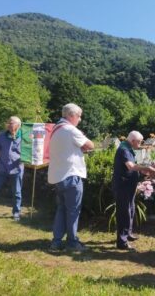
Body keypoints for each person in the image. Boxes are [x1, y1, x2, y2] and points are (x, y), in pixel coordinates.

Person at [48, 103, 94, 252]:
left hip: (58, 176)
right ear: (71, 115)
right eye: (79, 116)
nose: (80, 119)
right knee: (73, 211)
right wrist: (83, 142)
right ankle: (72, 242)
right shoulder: (71, 130)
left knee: (61, 209)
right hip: (71, 175)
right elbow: (90, 145)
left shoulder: (56, 129)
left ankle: (56, 242)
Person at [112, 131, 155, 250]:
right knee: (124, 213)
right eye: (139, 141)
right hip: (123, 186)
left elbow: (133, 166)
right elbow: (131, 167)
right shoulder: (124, 150)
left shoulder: (128, 147)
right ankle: (122, 242)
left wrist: (142, 170)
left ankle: (128, 234)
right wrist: (146, 168)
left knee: (131, 210)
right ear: (133, 141)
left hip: (128, 185)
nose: (141, 144)